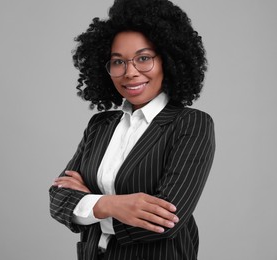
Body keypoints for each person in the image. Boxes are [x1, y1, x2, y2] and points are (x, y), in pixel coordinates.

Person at [49, 0, 215, 259]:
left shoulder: (191, 124)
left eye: (144, 58)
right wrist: (111, 204)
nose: (130, 72)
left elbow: (165, 222)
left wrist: (88, 206)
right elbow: (58, 200)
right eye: (118, 62)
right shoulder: (101, 125)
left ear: (168, 61)